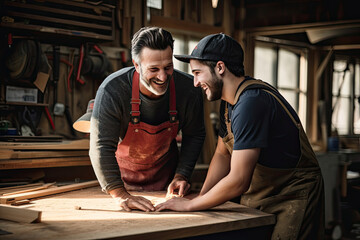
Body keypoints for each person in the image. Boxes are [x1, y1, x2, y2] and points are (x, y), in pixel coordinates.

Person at [155, 33, 325, 239]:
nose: (195, 82)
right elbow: (222, 154)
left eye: (198, 73)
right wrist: (202, 197)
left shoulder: (252, 103)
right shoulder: (229, 102)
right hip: (264, 193)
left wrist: (190, 205)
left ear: (220, 67)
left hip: (294, 195)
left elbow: (239, 180)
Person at [89, 27, 205, 212]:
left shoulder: (189, 90)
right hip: (121, 183)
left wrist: (181, 175)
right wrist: (120, 194)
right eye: (153, 69)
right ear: (136, 65)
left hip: (168, 183)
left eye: (168, 67)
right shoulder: (112, 90)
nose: (162, 77)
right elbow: (101, 146)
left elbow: (195, 135)